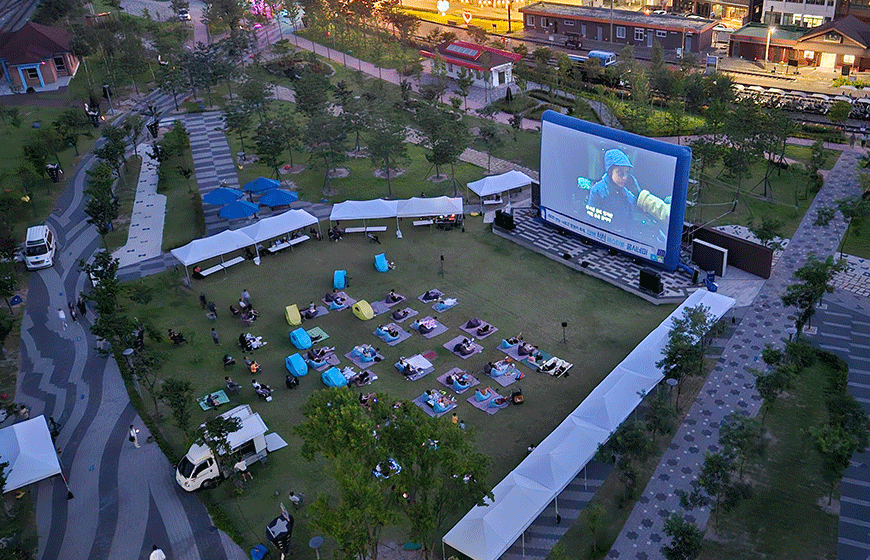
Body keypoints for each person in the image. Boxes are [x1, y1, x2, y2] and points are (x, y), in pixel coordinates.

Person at [585, 149, 671, 235]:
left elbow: (630, 222)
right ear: (610, 172)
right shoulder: (598, 190)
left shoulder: (627, 195)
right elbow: (590, 219)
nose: (625, 178)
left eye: (627, 173)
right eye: (620, 173)